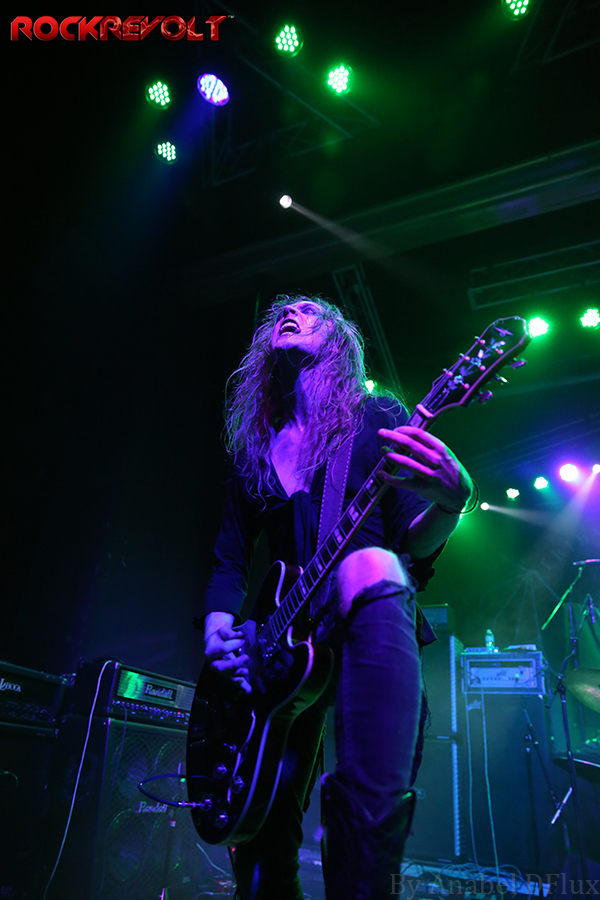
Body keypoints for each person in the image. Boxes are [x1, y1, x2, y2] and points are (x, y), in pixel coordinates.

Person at [202, 295, 473, 900]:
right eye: (283, 311)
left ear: (338, 340)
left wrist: (454, 502)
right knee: (262, 845)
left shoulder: (375, 415)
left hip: (362, 621)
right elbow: (229, 557)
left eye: (310, 311)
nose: (291, 312)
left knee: (360, 823)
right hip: (279, 653)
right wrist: (220, 632)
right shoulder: (256, 446)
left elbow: (412, 540)